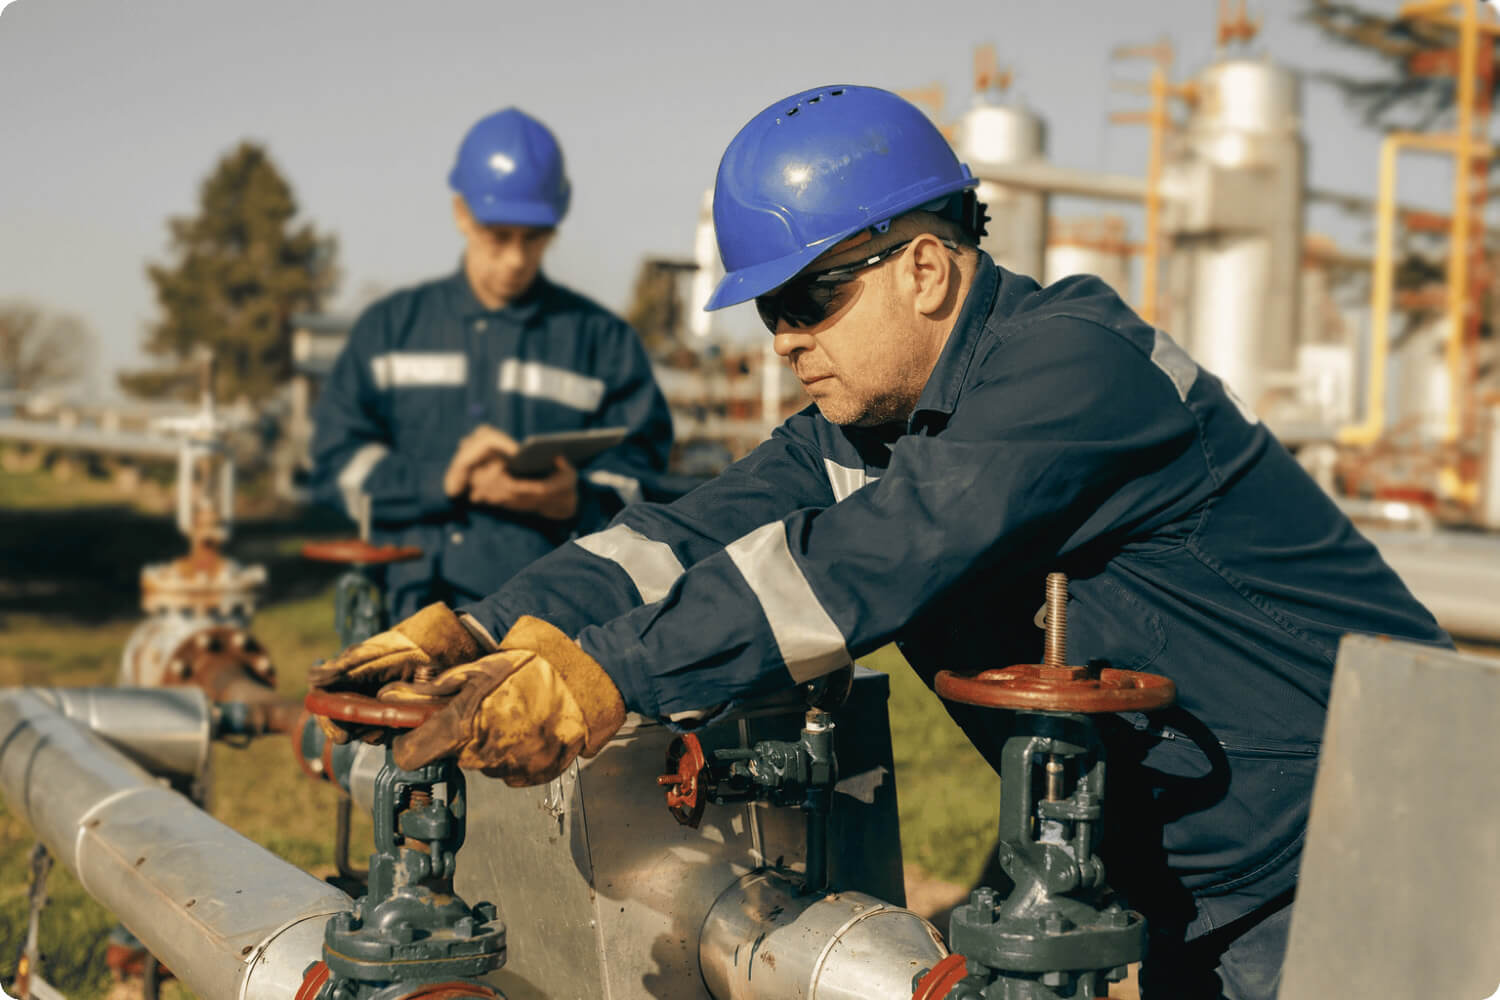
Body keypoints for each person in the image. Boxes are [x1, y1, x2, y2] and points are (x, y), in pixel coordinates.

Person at [308, 86, 1449, 998]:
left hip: (1376, 851)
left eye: (809, 300)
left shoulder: (1071, 365)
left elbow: (869, 559)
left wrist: (603, 676)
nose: (784, 341)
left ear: (925, 266)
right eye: (769, 313)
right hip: (1201, 885)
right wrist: (483, 628)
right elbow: (680, 534)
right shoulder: (865, 428)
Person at [310, 107, 673, 618]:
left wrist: (576, 500)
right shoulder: (388, 331)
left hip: (549, 627)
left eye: (534, 237)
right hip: (402, 617)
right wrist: (441, 480)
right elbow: (335, 465)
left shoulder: (603, 342)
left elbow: (645, 480)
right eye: (498, 236)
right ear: (461, 213)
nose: (516, 258)